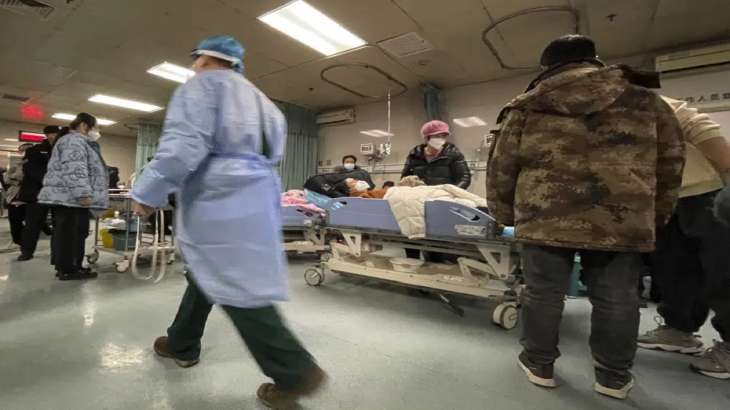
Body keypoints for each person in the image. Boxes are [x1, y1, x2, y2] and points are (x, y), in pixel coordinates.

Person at [129, 35, 326, 409]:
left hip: (218, 194)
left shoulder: (203, 88)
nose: (194, 66)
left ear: (207, 59)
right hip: (256, 192)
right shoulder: (264, 102)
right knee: (208, 271)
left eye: (197, 59)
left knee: (237, 284)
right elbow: (272, 152)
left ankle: (294, 370)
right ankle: (182, 341)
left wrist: (147, 192)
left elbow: (184, 145)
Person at [487, 34, 685, 399]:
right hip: (622, 217)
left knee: (543, 294)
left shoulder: (526, 107)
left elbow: (502, 168)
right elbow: (671, 163)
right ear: (594, 60)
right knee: (618, 298)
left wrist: (501, 215)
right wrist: (656, 216)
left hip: (544, 215)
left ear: (547, 68)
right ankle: (613, 377)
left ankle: (539, 364)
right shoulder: (645, 101)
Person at [637, 96, 730, 380]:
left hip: (707, 190)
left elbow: (698, 126)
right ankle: (679, 329)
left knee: (722, 270)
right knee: (674, 267)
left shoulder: (639, 98)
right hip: (665, 199)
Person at [38, 114, 108, 280]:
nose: (97, 132)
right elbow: (75, 170)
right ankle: (68, 269)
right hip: (71, 198)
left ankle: (71, 266)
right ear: (84, 126)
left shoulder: (74, 141)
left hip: (68, 197)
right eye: (96, 127)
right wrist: (83, 194)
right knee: (71, 233)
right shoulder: (74, 141)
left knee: (74, 232)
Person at [16, 125, 59, 261]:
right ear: (46, 135)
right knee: (32, 224)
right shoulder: (34, 150)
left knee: (59, 224)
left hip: (58, 194)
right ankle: (27, 251)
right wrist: (49, 181)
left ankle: (57, 252)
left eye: (55, 134)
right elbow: (31, 170)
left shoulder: (63, 150)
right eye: (50, 134)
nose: (53, 136)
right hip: (37, 193)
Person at [401, 120, 471, 189]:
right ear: (426, 138)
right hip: (421, 195)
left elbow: (464, 178)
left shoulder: (453, 153)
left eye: (443, 136)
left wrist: (451, 192)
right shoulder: (415, 154)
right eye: (436, 136)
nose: (440, 139)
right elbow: (405, 178)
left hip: (445, 196)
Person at [2, 143, 33, 251]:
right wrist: (17, 180)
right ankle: (18, 242)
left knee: (28, 223)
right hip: (14, 196)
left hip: (29, 198)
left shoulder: (35, 164)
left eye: (25, 150)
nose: (23, 153)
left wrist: (17, 178)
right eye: (21, 151)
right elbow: (7, 179)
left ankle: (24, 243)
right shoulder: (17, 164)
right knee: (15, 221)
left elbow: (23, 178)